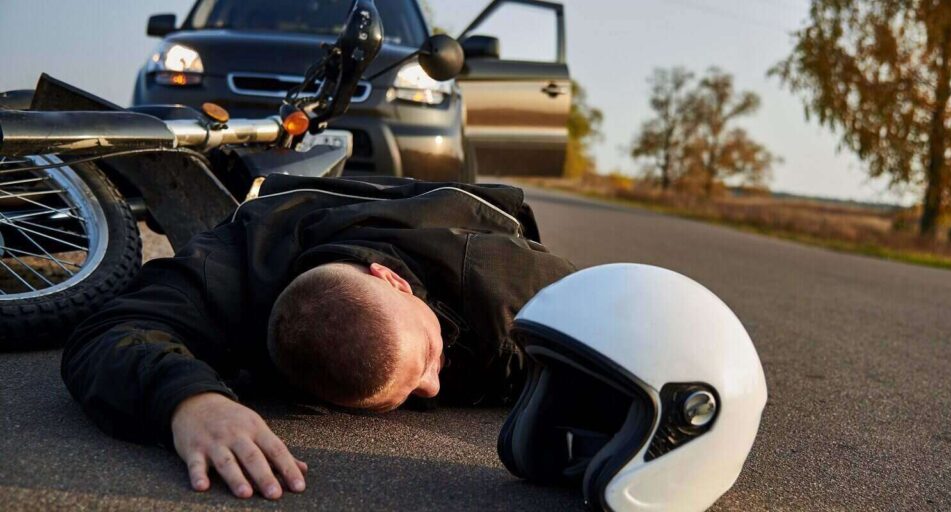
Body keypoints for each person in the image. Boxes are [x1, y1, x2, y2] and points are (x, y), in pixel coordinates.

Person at [61, 175, 575, 501]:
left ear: (392, 281)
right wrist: (190, 400)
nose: (434, 390)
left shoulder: (507, 291)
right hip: (286, 216)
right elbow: (108, 331)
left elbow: (627, 324)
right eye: (422, 373)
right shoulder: (228, 268)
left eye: (428, 358)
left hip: (452, 218)